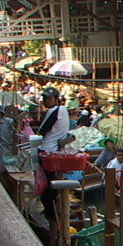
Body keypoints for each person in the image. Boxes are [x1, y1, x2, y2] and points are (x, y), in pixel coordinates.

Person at [37, 86, 72, 217]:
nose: (46, 101)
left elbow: (41, 130)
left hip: (47, 151)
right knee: (52, 181)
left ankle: (50, 212)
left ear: (57, 99)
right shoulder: (64, 110)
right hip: (57, 151)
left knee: (47, 183)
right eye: (45, 98)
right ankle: (54, 211)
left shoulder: (54, 110)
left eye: (49, 98)